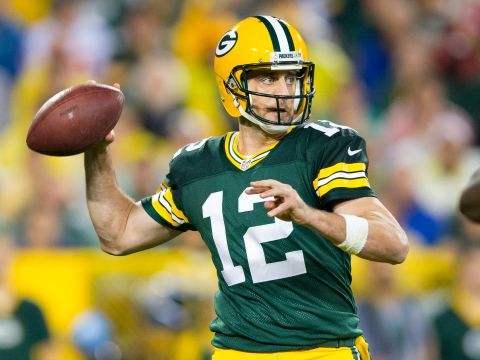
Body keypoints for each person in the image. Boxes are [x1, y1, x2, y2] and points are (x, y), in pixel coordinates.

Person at [84, 16, 408, 359]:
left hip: (321, 350)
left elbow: (393, 245)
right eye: (268, 77)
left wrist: (311, 216)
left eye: (292, 77)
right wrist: (95, 152)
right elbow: (118, 234)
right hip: (235, 353)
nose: (285, 92)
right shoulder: (198, 165)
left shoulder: (323, 147)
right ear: (231, 85)